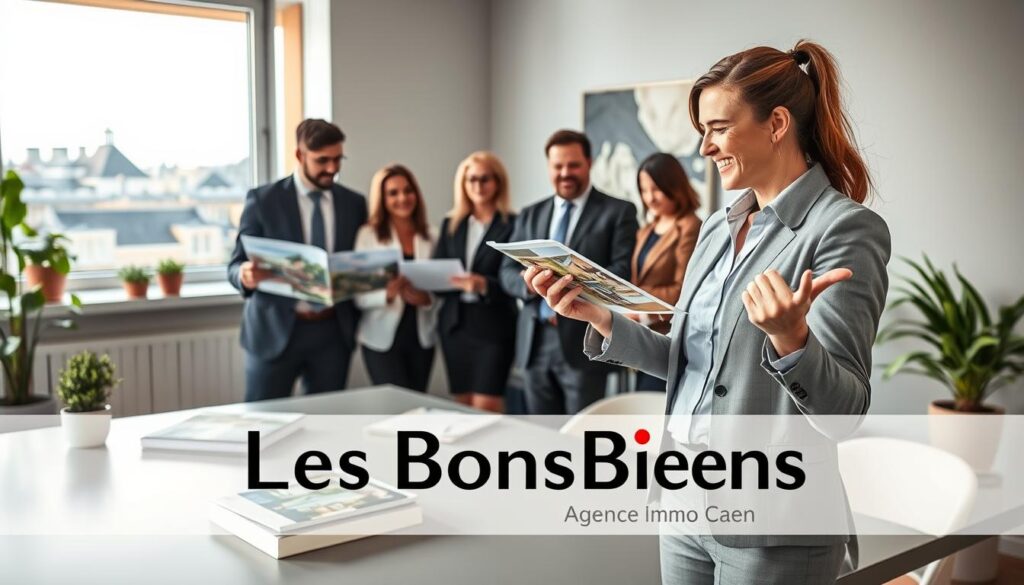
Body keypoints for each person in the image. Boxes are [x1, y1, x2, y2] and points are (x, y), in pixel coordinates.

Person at [525, 40, 891, 584]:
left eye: (718, 128)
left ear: (777, 124)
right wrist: (600, 316)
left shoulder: (843, 229)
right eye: (702, 130)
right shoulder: (718, 228)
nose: (704, 147)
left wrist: (792, 341)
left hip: (773, 522)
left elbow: (845, 412)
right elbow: (691, 362)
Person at [499, 129, 639, 415]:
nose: (565, 173)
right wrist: (529, 284)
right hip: (535, 341)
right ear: (549, 167)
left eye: (573, 165)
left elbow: (621, 271)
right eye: (558, 166)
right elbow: (507, 271)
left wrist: (567, 283)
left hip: (583, 342)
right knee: (542, 432)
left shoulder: (619, 211)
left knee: (581, 433)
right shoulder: (530, 214)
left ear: (589, 163)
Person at [228, 119, 367, 402]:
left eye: (338, 159)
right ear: (299, 155)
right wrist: (244, 274)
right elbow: (235, 264)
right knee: (263, 419)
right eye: (322, 160)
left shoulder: (354, 203)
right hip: (274, 331)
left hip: (332, 333)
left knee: (326, 419)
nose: (332, 168)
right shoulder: (263, 200)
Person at [434, 152, 518, 412]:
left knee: (486, 405)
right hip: (456, 324)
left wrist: (484, 285)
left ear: (498, 182)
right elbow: (438, 268)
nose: (478, 186)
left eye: (485, 179)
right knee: (462, 404)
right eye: (471, 180)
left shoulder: (513, 224)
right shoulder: (452, 224)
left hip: (495, 325)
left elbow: (515, 278)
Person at [355, 164, 436, 393]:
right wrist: (387, 294)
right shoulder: (368, 236)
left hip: (421, 336)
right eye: (393, 193)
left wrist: (427, 300)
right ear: (382, 199)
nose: (402, 198)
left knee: (418, 402)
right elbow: (358, 294)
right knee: (393, 406)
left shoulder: (432, 235)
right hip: (380, 337)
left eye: (408, 191)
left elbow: (443, 286)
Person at [629, 153, 702, 391]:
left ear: (673, 186)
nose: (649, 197)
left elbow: (684, 289)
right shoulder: (646, 230)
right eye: (644, 190)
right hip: (642, 335)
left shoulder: (690, 227)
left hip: (668, 338)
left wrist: (637, 303)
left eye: (656, 189)